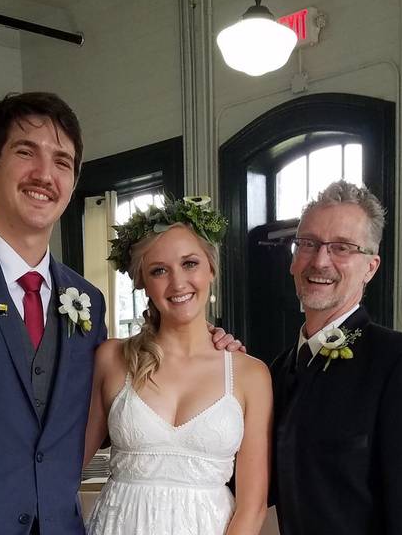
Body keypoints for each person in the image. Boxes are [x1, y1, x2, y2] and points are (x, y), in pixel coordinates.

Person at [0, 92, 239, 535]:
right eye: (25, 152)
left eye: (62, 161)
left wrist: (208, 351)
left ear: (73, 181)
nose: (44, 174)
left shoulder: (88, 300)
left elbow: (118, 402)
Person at [269, 179, 402, 535]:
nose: (320, 261)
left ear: (371, 267)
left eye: (342, 247)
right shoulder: (276, 371)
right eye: (307, 244)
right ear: (294, 260)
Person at [83, 197, 272, 535]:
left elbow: (252, 506)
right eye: (159, 270)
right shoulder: (112, 359)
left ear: (211, 268)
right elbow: (66, 466)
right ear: (142, 281)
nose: (178, 283)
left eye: (190, 264)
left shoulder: (250, 374)